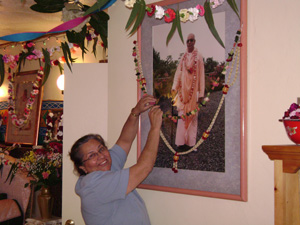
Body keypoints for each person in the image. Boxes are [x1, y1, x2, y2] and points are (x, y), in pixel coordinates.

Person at [69, 94, 162, 225]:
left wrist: (135, 112)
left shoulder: (106, 166)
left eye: (101, 149)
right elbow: (144, 167)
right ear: (82, 167)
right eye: (91, 156)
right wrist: (155, 128)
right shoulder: (95, 185)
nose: (100, 156)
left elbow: (125, 140)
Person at [171, 33, 205, 147]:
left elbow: (201, 75)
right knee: (181, 116)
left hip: (193, 92)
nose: (189, 42)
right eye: (188, 41)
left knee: (193, 117)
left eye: (191, 40)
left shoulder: (199, 56)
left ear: (194, 41)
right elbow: (178, 72)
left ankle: (191, 144)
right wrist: (174, 87)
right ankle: (180, 143)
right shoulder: (183, 57)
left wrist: (201, 93)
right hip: (183, 92)